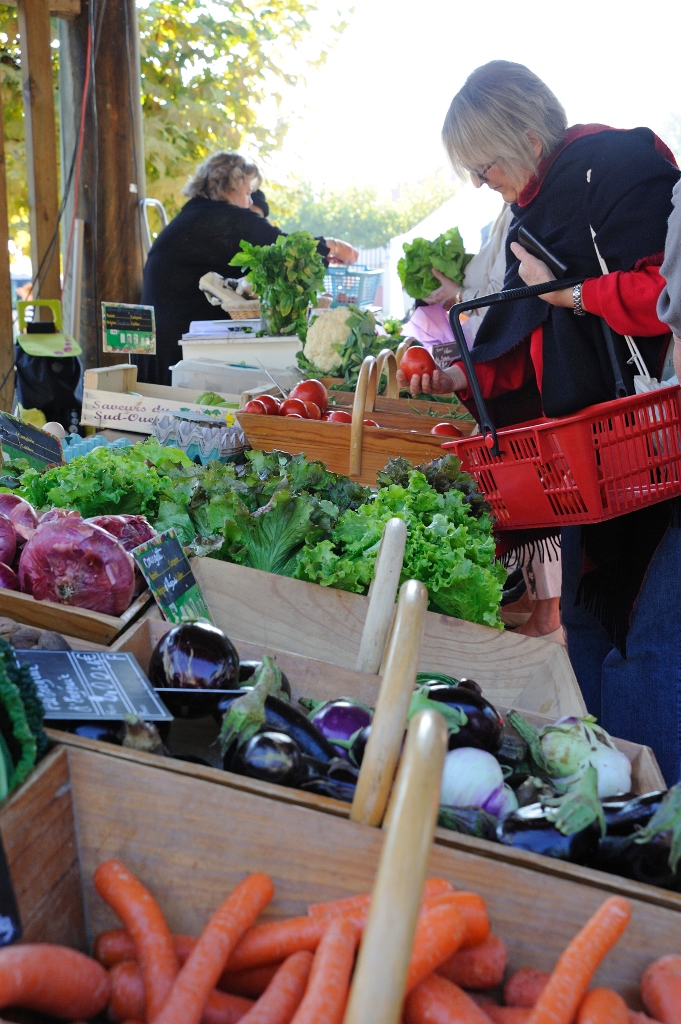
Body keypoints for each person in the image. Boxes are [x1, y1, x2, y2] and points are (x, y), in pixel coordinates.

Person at [397, 60, 681, 782]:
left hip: (656, 442)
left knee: (649, 638)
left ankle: (655, 816)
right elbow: (529, 350)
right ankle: (600, 787)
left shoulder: (618, 167)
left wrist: (578, 296)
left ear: (525, 136)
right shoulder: (531, 209)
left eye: (482, 164)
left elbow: (660, 298)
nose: (478, 182)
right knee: (587, 621)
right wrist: (462, 374)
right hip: (596, 458)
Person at [416, 203, 563, 640]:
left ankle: (551, 613)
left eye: (484, 165)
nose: (480, 181)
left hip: (542, 382)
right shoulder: (510, 212)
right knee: (524, 495)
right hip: (508, 373)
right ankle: (534, 600)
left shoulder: (544, 210)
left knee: (548, 494)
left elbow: (517, 312)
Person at [135, 153, 358, 385]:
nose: (251, 202)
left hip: (159, 346)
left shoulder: (194, 215)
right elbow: (285, 249)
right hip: (175, 352)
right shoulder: (226, 219)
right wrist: (333, 246)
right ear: (231, 188)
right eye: (248, 193)